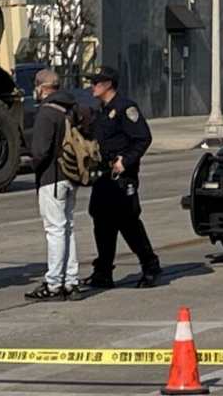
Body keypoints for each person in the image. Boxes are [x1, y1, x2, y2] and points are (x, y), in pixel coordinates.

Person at [82, 66, 162, 289]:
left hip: (122, 176)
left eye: (95, 83)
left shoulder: (126, 108)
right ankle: (103, 271)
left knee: (127, 221)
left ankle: (150, 264)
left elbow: (143, 138)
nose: (91, 86)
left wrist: (125, 161)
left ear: (108, 85)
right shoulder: (101, 111)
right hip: (103, 175)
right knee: (101, 219)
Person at [25, 70, 92, 302]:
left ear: (41, 87)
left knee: (54, 230)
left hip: (51, 178)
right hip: (71, 175)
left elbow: (40, 151)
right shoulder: (71, 107)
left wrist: (36, 165)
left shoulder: (46, 112)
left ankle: (54, 283)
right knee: (68, 228)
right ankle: (71, 280)